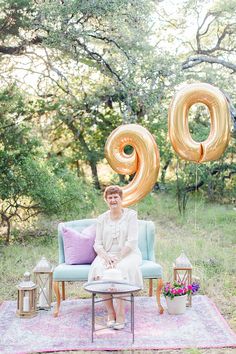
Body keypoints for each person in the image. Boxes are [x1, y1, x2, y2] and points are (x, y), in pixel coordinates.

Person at [88, 185, 143, 330]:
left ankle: (121, 315)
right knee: (99, 268)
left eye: (115, 197)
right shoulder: (101, 219)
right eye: (110, 197)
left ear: (121, 199)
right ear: (106, 200)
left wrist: (118, 257)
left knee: (120, 270)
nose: (113, 200)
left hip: (128, 253)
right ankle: (110, 313)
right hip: (107, 254)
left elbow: (132, 242)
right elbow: (97, 244)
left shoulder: (131, 215)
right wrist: (106, 257)